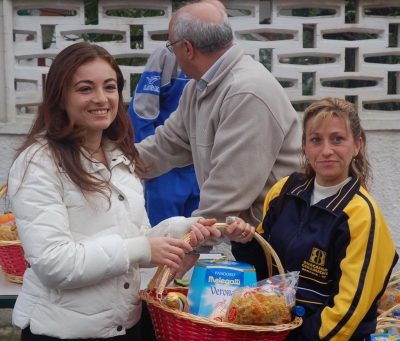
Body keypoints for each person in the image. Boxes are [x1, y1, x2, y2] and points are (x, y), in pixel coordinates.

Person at [7, 42, 221, 341]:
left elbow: (136, 240)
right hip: (64, 332)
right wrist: (144, 248)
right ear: (60, 98)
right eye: (85, 89)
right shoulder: (38, 163)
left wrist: (187, 229)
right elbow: (53, 264)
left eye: (109, 87)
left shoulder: (119, 157)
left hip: (126, 326)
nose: (101, 98)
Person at [230, 97, 399, 340]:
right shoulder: (284, 192)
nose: (326, 150)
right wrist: (245, 241)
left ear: (357, 145)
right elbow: (265, 272)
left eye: (337, 139)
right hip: (272, 332)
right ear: (305, 146)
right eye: (316, 140)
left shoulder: (361, 216)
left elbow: (347, 313)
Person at [135, 2, 302, 245]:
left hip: (277, 239)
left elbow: (226, 196)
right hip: (246, 238)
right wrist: (106, 166)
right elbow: (166, 145)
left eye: (172, 47)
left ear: (188, 49)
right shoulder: (197, 88)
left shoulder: (246, 92)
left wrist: (185, 245)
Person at [128, 0, 228, 227]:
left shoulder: (229, 66)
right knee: (164, 237)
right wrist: (144, 164)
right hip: (167, 168)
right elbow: (142, 111)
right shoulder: (167, 54)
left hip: (203, 169)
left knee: (199, 239)